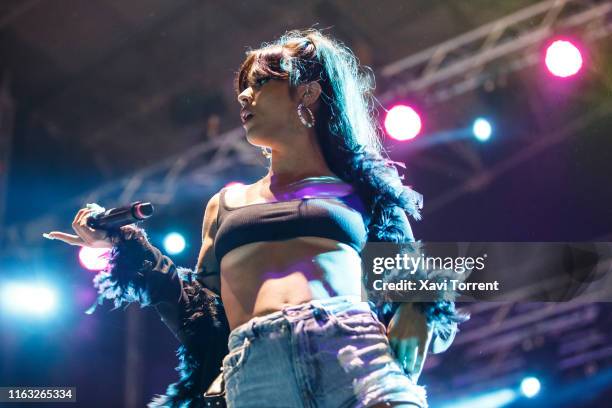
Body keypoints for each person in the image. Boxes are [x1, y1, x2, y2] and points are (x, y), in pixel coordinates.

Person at [45, 29, 465, 408]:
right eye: (243, 87)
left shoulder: (363, 194)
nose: (244, 96)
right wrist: (128, 248)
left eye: (261, 83)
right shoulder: (226, 203)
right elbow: (201, 320)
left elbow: (424, 294)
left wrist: (419, 304)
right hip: (256, 370)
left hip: (351, 349)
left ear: (309, 94)